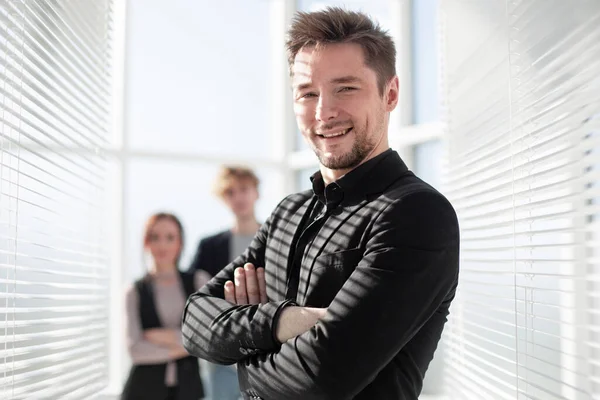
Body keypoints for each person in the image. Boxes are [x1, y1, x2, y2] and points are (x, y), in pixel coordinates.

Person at [182, 7, 459, 400]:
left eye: (345, 88)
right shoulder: (286, 214)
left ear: (390, 93)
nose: (324, 112)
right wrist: (283, 320)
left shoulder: (416, 214)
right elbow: (194, 322)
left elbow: (321, 378)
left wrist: (242, 360)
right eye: (308, 93)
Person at [188, 166, 261, 400]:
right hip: (221, 351)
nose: (238, 197)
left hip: (267, 346)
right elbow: (198, 300)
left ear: (256, 192)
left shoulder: (281, 240)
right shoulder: (209, 247)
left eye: (243, 189)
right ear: (223, 198)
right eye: (230, 192)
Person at [122, 213, 208, 400]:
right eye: (155, 237)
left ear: (180, 243)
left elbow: (207, 337)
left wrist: (160, 337)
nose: (162, 245)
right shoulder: (134, 291)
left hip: (189, 390)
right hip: (141, 391)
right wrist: (187, 345)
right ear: (146, 242)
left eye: (170, 237)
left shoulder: (198, 282)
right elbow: (135, 351)